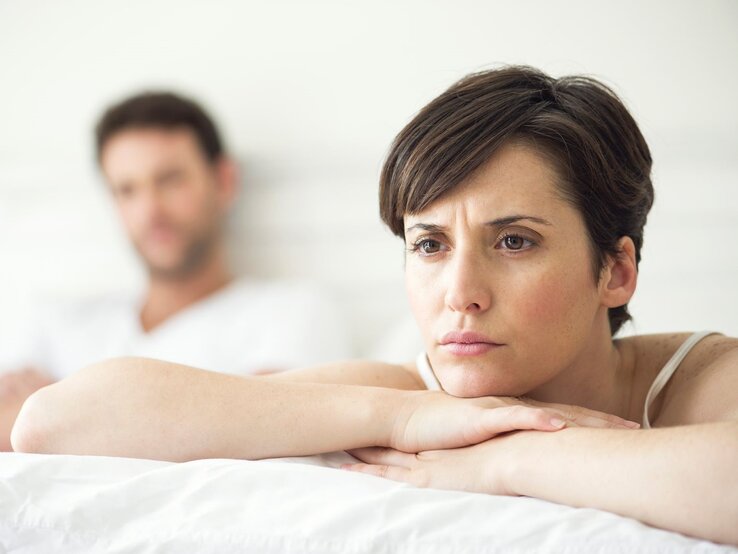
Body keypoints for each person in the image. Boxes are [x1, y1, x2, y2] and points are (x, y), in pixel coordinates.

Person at [11, 67, 738, 545]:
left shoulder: (700, 376)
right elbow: (52, 425)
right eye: (429, 246)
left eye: (514, 241)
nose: (460, 292)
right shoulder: (407, 396)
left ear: (615, 270)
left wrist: (506, 461)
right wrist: (402, 415)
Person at [0, 92, 351, 450]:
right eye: (127, 190)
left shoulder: (289, 311)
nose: (150, 210)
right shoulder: (56, 323)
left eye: (170, 180)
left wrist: (49, 411)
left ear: (224, 181)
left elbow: (274, 431)